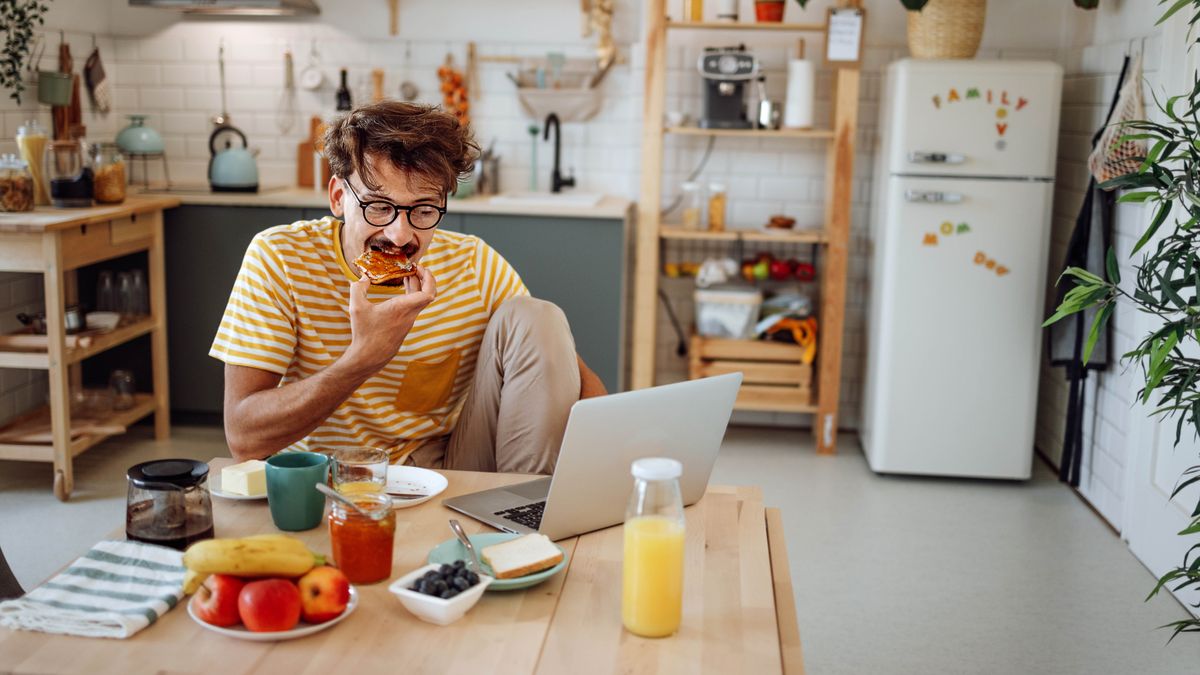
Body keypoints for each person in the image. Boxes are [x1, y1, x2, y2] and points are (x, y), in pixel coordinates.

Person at [210, 101, 605, 474]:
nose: (400, 235)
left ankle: (526, 512)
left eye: (423, 210)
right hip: (331, 479)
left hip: (449, 466)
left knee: (537, 315)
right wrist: (363, 357)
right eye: (378, 206)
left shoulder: (475, 264)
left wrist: (609, 457)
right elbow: (243, 440)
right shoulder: (280, 257)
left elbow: (571, 376)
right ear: (337, 198)